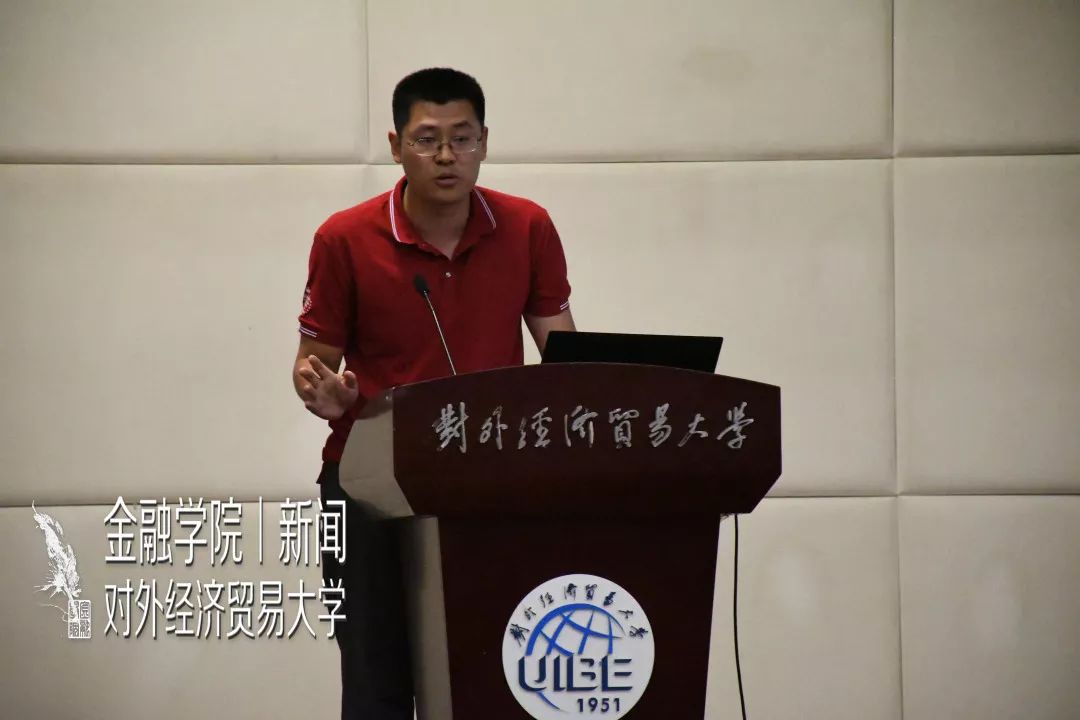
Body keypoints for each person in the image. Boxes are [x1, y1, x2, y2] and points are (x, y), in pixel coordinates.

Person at [291, 67, 575, 720]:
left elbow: (565, 359)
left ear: (484, 141)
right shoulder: (344, 238)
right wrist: (326, 395)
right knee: (376, 680)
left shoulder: (527, 227)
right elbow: (314, 365)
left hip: (488, 485)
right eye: (427, 139)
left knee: (487, 675)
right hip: (367, 485)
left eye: (462, 138)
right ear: (396, 146)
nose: (447, 155)